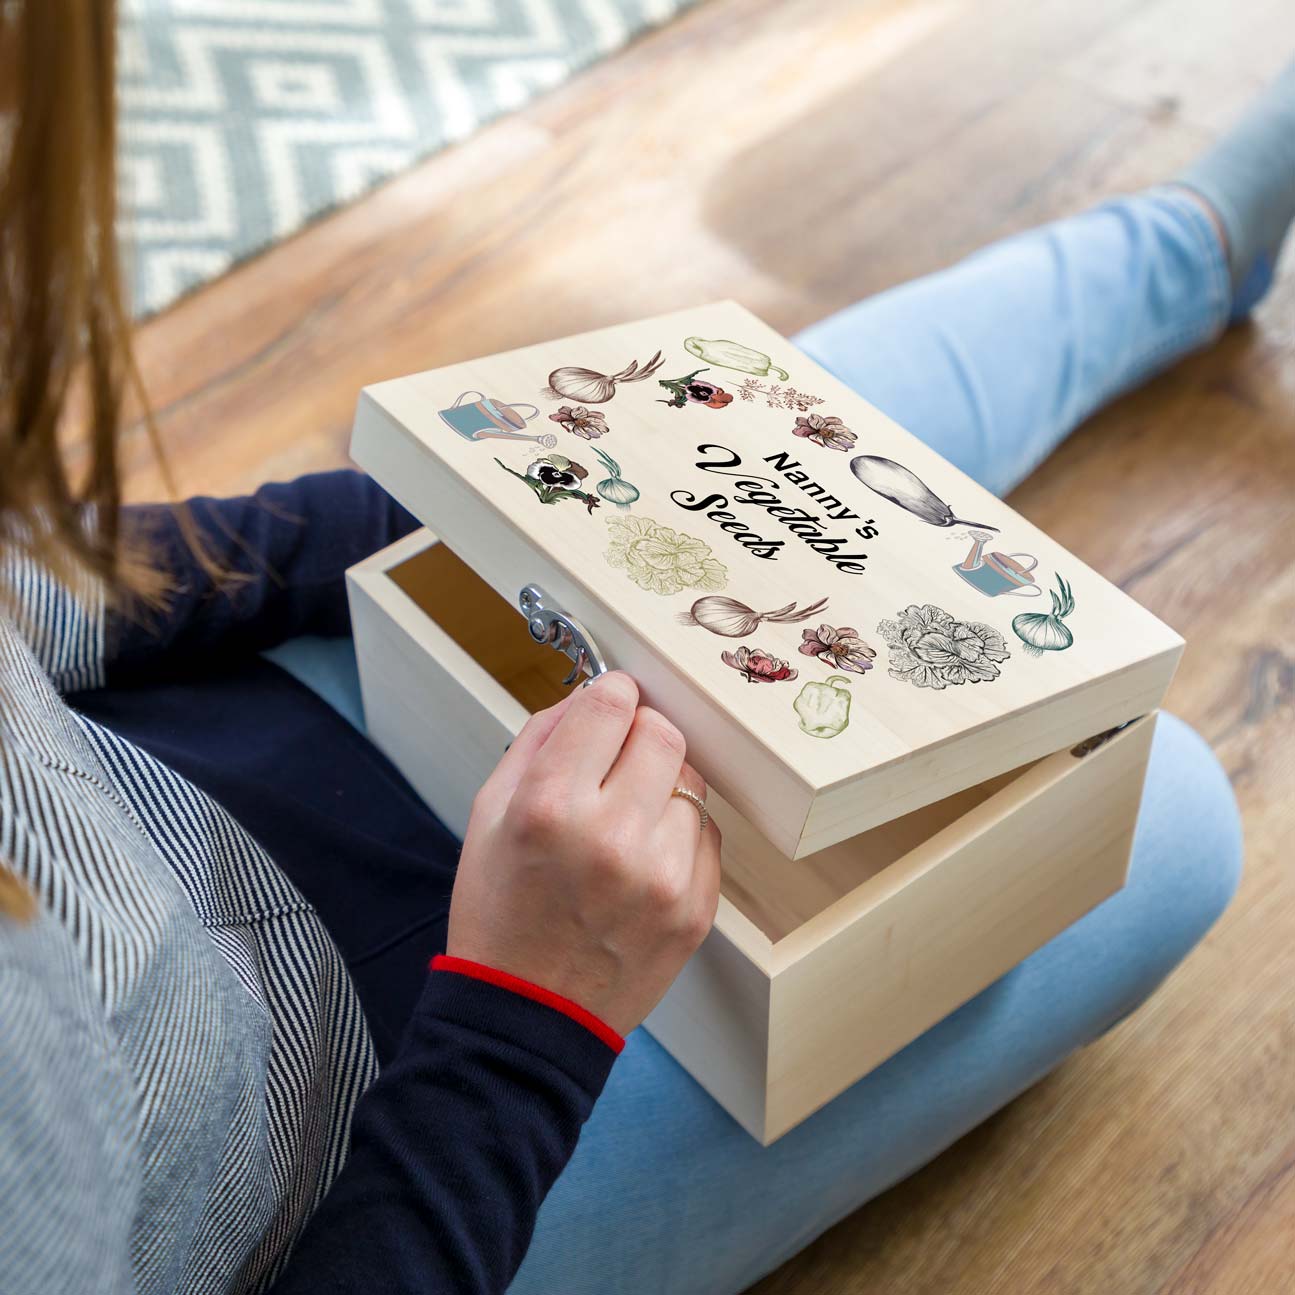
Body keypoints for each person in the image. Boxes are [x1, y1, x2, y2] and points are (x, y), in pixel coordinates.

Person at [0, 0, 1288, 1285]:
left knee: (781, 432)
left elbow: (37, 584)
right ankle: (1191, 244)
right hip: (384, 1135)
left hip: (204, 745)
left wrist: (426, 504)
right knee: (1150, 817)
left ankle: (1192, 244)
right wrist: (526, 1022)